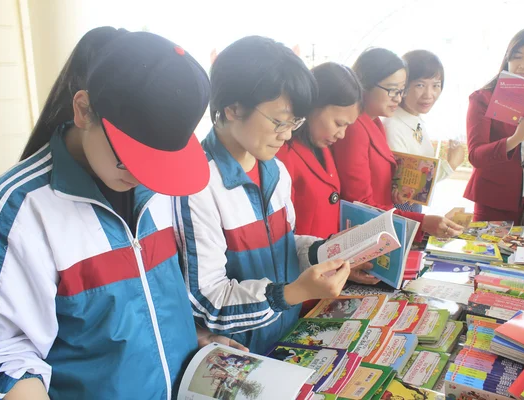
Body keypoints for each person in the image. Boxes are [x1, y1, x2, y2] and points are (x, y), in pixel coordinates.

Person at [0, 27, 243, 400]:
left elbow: (150, 299)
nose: (141, 177)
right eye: (130, 159)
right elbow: (2, 353)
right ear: (84, 110)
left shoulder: (161, 189)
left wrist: (191, 339)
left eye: (159, 164)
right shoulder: (20, 210)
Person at [174, 36, 351, 355]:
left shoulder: (275, 171)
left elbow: (286, 244)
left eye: (295, 122)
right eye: (279, 122)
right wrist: (291, 293)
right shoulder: (198, 185)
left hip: (288, 333)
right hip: (240, 352)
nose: (287, 134)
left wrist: (323, 251)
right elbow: (210, 301)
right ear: (232, 108)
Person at [332, 48, 464, 239]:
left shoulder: (375, 122)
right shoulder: (355, 128)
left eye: (401, 91)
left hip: (381, 225)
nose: (398, 98)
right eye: (392, 90)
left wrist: (396, 193)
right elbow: (359, 204)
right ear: (365, 84)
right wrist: (421, 222)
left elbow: (381, 182)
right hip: (367, 233)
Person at [276, 62, 379, 286]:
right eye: (338, 123)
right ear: (314, 105)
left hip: (327, 278)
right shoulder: (284, 155)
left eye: (347, 127)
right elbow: (280, 239)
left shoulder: (324, 149)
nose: (342, 134)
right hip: (299, 284)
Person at [464, 27, 524, 224]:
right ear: (508, 59)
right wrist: (516, 137)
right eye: (517, 57)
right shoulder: (482, 99)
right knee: (493, 254)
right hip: (493, 201)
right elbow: (476, 156)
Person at [384, 50, 465, 212]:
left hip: (412, 209)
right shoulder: (393, 126)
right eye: (420, 85)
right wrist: (450, 164)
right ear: (403, 87)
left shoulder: (415, 120)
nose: (429, 94)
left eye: (436, 85)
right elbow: (410, 186)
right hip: (399, 211)